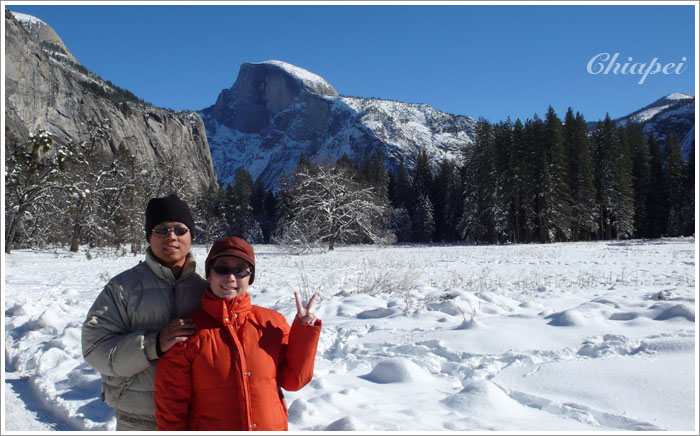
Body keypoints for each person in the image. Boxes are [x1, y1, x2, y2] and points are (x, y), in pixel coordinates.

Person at [155, 236, 322, 431]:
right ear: (209, 275)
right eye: (222, 269)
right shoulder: (187, 331)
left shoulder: (272, 323)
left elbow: (293, 381)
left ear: (250, 278)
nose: (230, 277)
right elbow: (171, 405)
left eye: (240, 271)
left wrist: (304, 332)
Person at [81, 194, 208, 431]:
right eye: (161, 230)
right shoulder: (122, 289)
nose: (171, 236)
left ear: (191, 235)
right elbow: (94, 349)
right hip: (138, 416)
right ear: (149, 237)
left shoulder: (206, 291)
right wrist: (154, 344)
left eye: (180, 229)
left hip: (196, 414)